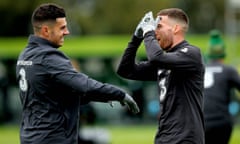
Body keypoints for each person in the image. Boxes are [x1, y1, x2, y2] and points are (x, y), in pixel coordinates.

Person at [15, 3, 139, 144]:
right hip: (52, 138)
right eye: (62, 28)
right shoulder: (49, 56)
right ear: (46, 30)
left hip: (29, 136)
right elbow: (85, 85)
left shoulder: (25, 55)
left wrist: (104, 95)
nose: (67, 32)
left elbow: (59, 95)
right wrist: (119, 94)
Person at [117, 8, 205, 143]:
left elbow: (156, 58)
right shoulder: (163, 60)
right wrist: (136, 38)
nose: (154, 30)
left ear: (175, 28)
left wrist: (148, 32)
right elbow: (125, 70)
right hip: (164, 137)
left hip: (186, 138)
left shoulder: (191, 53)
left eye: (158, 26)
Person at [203, 29, 240, 144]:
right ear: (223, 53)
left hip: (200, 122)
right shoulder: (229, 70)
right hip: (222, 122)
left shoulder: (200, 70)